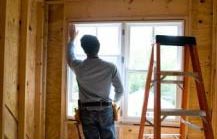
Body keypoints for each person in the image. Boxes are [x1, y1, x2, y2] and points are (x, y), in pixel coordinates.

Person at [66, 24, 124, 139]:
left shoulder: (79, 66)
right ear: (98, 47)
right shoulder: (110, 67)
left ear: (84, 49)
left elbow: (70, 57)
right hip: (105, 109)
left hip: (87, 111)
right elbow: (120, 90)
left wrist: (72, 39)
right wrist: (114, 102)